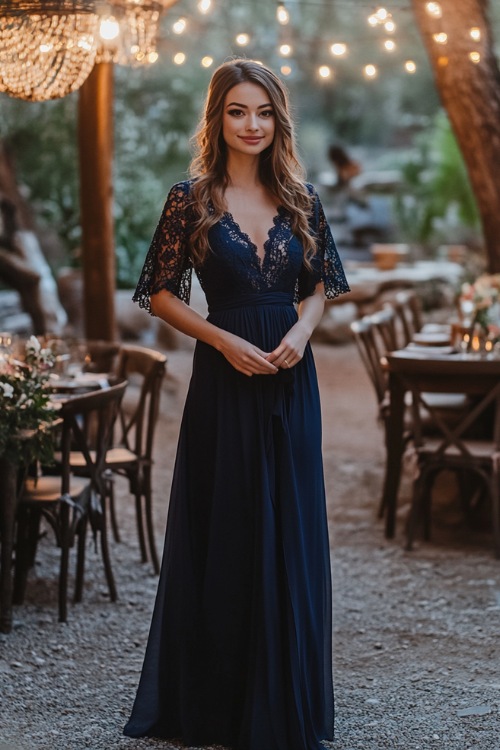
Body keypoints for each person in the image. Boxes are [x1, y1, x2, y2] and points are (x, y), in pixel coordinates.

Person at [123, 58, 350, 750]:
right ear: (217, 118)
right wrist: (221, 341)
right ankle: (220, 701)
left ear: (278, 120)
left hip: (289, 371)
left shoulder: (303, 200)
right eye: (237, 111)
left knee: (291, 520)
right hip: (225, 377)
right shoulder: (188, 199)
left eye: (263, 113)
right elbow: (158, 293)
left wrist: (302, 332)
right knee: (228, 517)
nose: (252, 125)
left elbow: (322, 285)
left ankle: (287, 692)